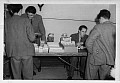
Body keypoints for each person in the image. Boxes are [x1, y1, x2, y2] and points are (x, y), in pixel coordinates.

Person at [4, 4, 35, 79]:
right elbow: (32, 38)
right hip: (26, 51)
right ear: (20, 10)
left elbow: (5, 38)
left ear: (11, 11)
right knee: (28, 76)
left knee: (16, 75)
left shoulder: (6, 22)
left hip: (13, 51)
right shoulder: (26, 20)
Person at [85, 9, 116, 80]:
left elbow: (88, 42)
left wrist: (91, 52)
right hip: (109, 59)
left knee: (89, 77)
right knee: (104, 79)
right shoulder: (115, 28)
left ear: (101, 18)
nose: (99, 21)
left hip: (95, 58)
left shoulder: (98, 27)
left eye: (99, 19)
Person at [21, 6, 46, 74]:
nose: (29, 17)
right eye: (28, 15)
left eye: (31, 15)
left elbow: (42, 30)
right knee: (28, 56)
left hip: (36, 38)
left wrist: (43, 41)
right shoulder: (22, 16)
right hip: (25, 39)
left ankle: (38, 65)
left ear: (35, 14)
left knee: (35, 55)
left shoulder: (39, 17)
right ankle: (31, 70)